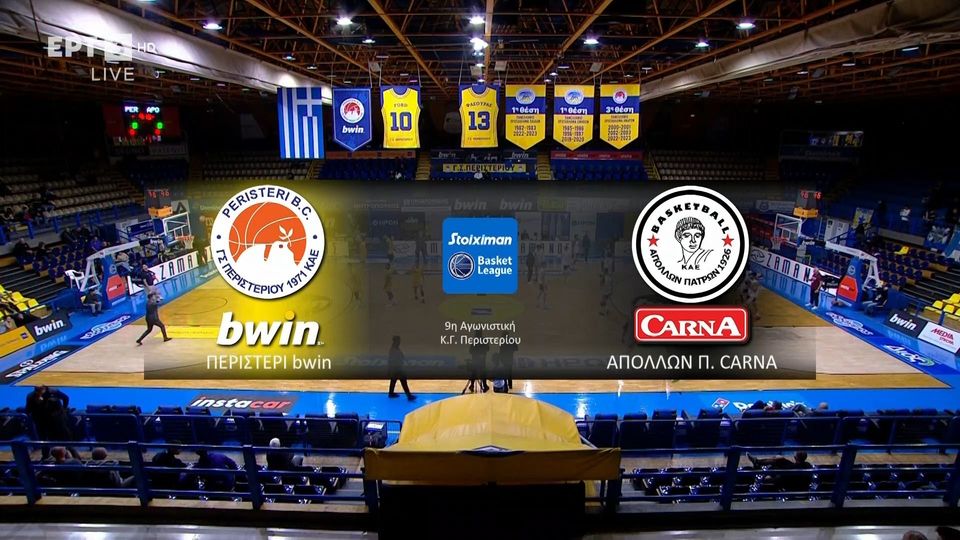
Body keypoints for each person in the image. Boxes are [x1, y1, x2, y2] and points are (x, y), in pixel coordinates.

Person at [25, 386, 74, 457]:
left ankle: (71, 454)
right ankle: (45, 456)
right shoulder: (31, 396)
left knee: (65, 439)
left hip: (56, 420)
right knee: (44, 440)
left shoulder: (53, 392)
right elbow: (28, 410)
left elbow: (65, 398)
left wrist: (63, 410)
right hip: (43, 422)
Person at [387, 335, 415, 400]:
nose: (400, 342)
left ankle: (391, 393)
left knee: (393, 380)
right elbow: (392, 360)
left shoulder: (396, 348)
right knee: (403, 381)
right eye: (399, 340)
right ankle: (409, 396)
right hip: (397, 368)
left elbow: (401, 357)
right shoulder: (393, 349)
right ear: (396, 341)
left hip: (396, 368)